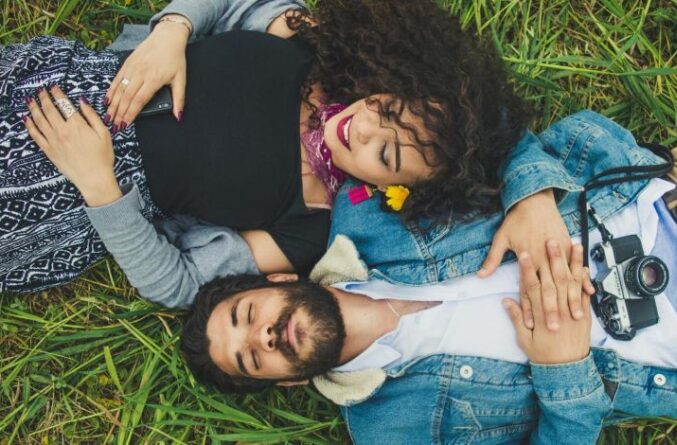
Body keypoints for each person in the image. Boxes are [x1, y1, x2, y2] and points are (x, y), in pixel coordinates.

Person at [180, 114, 677, 442]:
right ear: (286, 381)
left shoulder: (365, 211)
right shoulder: (393, 431)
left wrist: (530, 197)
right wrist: (562, 369)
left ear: (277, 280)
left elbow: (482, 121)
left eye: (246, 316)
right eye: (252, 359)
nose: (263, 336)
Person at [1, 0, 570, 310]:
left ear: (397, 190)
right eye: (389, 109)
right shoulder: (311, 48)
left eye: (387, 154)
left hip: (54, 199)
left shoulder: (309, 227)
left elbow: (177, 285)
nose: (363, 128)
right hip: (56, 86)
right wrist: (172, 30)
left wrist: (100, 187)